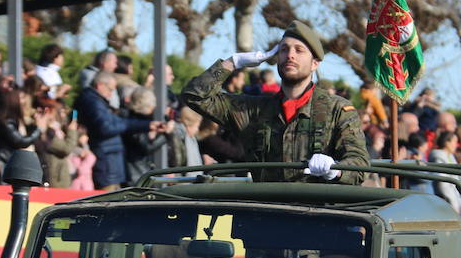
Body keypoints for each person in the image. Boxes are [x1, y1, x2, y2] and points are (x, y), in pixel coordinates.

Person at [179, 20, 369, 185]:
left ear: (315, 63)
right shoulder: (253, 110)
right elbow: (195, 96)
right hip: (268, 213)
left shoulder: (337, 110)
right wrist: (233, 62)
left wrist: (334, 170)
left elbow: (359, 164)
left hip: (319, 214)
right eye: (284, 50)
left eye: (299, 50)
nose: (290, 55)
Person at [77, 70, 159, 189]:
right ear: (100, 85)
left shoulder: (97, 101)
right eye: (110, 89)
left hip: (110, 160)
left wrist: (145, 125)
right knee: (108, 200)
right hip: (106, 159)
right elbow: (106, 127)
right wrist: (127, 126)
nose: (111, 94)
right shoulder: (93, 102)